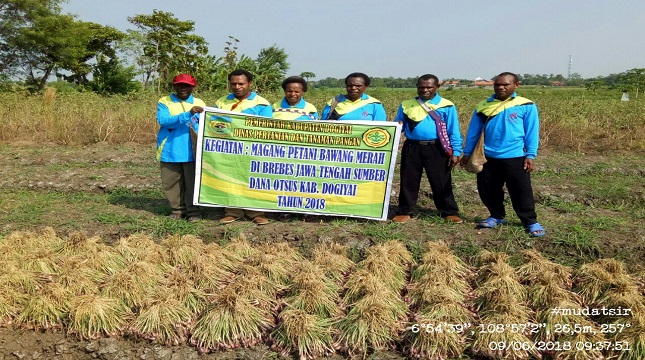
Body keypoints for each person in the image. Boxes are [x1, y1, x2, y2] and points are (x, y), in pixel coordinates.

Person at [460, 72, 546, 237]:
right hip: (487, 156)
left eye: (505, 84)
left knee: (521, 190)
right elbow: (473, 132)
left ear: (516, 85)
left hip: (515, 156)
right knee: (488, 189)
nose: (501, 87)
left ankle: (530, 221)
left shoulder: (526, 105)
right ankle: (496, 216)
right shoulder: (483, 106)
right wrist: (467, 152)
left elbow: (532, 132)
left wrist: (531, 155)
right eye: (497, 84)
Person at [392, 74, 464, 224]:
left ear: (437, 87)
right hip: (412, 147)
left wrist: (456, 151)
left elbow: (454, 130)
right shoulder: (406, 104)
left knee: (441, 180)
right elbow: (400, 126)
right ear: (417, 87)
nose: (425, 90)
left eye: (429, 87)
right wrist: (396, 126)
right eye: (421, 87)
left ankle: (448, 211)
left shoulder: (446, 105)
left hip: (437, 148)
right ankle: (404, 211)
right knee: (408, 180)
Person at [214, 69, 272, 225]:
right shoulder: (221, 102)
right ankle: (233, 211)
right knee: (230, 178)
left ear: (250, 84)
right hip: (228, 149)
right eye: (233, 84)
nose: (237, 87)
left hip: (253, 149)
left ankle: (256, 212)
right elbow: (213, 124)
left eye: (241, 83)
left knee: (253, 179)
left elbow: (267, 128)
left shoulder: (261, 103)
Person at [156, 73, 205, 222]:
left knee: (193, 182)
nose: (183, 88)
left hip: (192, 150)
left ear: (192, 87)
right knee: (171, 182)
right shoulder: (165, 102)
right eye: (180, 85)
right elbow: (164, 121)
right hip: (170, 149)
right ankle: (177, 210)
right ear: (174, 86)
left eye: (187, 86)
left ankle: (194, 212)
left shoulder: (199, 102)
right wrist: (187, 114)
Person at [320, 72, 387, 121]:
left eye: (358, 86)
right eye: (350, 85)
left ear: (366, 87)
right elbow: (323, 125)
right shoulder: (334, 102)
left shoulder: (374, 104)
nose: (353, 88)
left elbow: (380, 128)